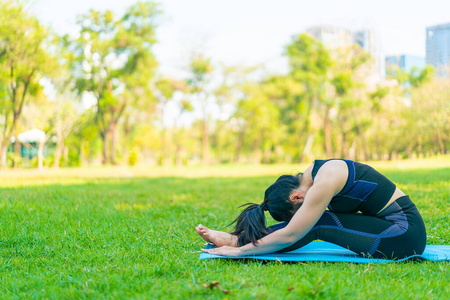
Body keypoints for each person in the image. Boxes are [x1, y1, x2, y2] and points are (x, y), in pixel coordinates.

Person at [197, 159, 427, 259]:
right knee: (318, 220)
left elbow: (292, 232)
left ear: (296, 196)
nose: (303, 213)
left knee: (317, 223)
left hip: (405, 236)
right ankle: (238, 238)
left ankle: (238, 242)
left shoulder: (323, 181)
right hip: (393, 231)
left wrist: (240, 252)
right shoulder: (314, 173)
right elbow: (294, 227)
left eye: (298, 210)